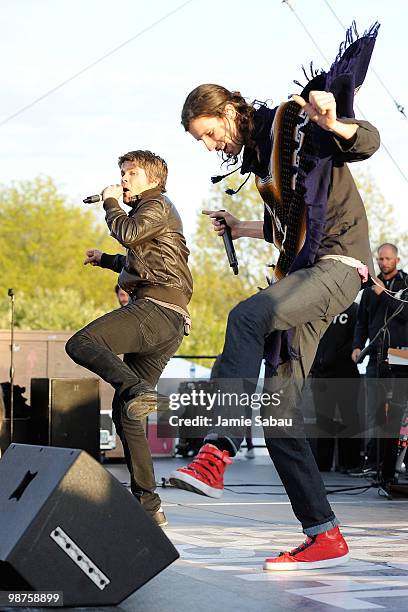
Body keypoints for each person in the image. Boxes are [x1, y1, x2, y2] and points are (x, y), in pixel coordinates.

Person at [169, 23, 380, 570]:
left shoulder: (293, 125)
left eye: (211, 134)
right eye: (203, 142)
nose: (212, 146)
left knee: (244, 318)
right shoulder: (267, 162)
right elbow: (293, 226)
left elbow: (367, 142)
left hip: (339, 267)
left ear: (231, 113)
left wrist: (336, 121)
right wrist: (243, 228)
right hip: (307, 275)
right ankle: (324, 533)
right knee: (280, 415)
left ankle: (218, 449)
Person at [66, 150, 193, 527]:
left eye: (130, 173)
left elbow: (129, 234)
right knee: (128, 414)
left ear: (152, 179)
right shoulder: (150, 213)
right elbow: (139, 259)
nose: (123, 179)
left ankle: (137, 388)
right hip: (169, 318)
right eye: (121, 173)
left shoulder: (155, 205)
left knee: (81, 344)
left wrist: (108, 202)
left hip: (156, 309)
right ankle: (149, 505)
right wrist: (106, 259)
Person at [351, 243, 408, 478]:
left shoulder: (405, 284)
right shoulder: (369, 290)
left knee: (397, 411)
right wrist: (356, 345)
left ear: (397, 259)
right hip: (376, 354)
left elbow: (405, 314)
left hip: (402, 355)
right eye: (381, 259)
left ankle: (392, 464)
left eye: (388, 258)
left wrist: (382, 293)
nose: (384, 263)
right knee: (374, 410)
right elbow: (361, 322)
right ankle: (374, 463)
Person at [310, 303, 363, 473]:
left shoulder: (354, 309)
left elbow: (358, 338)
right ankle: (323, 464)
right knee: (324, 420)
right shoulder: (320, 308)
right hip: (321, 374)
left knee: (349, 418)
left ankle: (350, 463)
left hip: (346, 373)